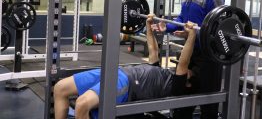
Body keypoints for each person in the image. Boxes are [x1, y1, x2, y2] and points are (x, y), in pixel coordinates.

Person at [54, 14, 198, 119]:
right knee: (60, 88)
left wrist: (191, 36)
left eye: (189, 73)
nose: (188, 70)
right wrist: (148, 26)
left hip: (127, 84)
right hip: (118, 72)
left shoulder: (177, 86)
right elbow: (153, 50)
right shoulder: (162, 72)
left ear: (188, 84)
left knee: (81, 105)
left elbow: (183, 63)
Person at [152, 0, 225, 119]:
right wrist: (167, 27)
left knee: (208, 106)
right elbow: (181, 19)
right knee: (184, 101)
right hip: (190, 53)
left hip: (209, 58)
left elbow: (218, 30)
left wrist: (193, 34)